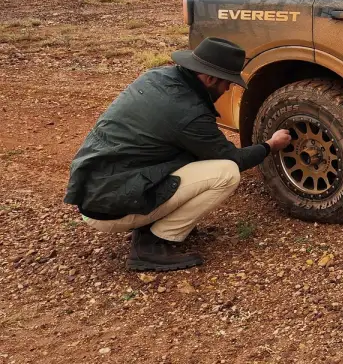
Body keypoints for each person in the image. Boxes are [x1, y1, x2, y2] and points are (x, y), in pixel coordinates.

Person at [64, 37, 292, 271]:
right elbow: (233, 157)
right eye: (227, 83)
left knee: (194, 156)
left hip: (95, 189)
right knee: (227, 172)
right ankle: (152, 245)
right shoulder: (189, 113)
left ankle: (151, 222)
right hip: (109, 207)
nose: (227, 89)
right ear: (210, 78)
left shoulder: (157, 77)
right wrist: (270, 145)